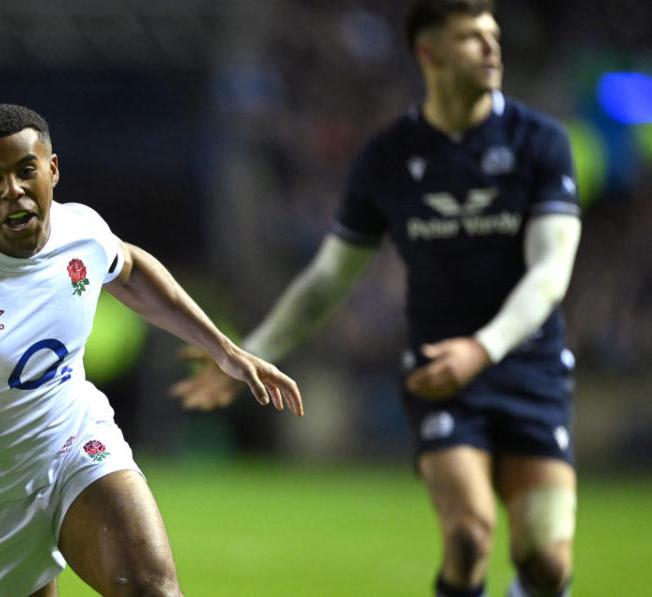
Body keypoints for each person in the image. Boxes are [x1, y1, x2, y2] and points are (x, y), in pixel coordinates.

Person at [0, 103, 303, 597]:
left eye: (26, 171)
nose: (13, 190)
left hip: (75, 443)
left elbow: (128, 267)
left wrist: (222, 349)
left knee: (153, 591)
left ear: (52, 169)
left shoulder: (80, 231)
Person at [172, 1, 580, 596]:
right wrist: (246, 354)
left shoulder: (540, 142)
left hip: (530, 367)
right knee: (468, 536)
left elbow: (550, 272)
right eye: (471, 38)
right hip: (442, 371)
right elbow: (327, 280)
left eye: (492, 36)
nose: (492, 49)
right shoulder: (389, 156)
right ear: (429, 54)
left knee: (545, 563)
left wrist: (484, 348)